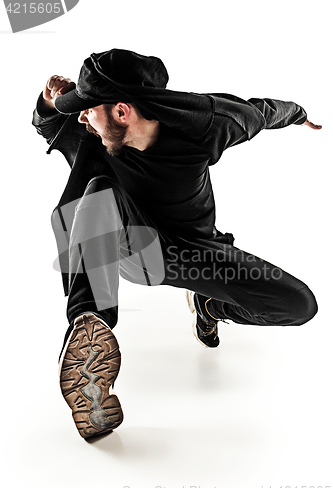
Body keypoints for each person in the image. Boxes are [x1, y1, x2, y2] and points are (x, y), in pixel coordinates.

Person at [32, 48, 321, 440]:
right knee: (99, 190)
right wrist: (50, 101)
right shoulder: (90, 135)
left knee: (299, 304)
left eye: (88, 108)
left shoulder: (204, 124)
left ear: (122, 111)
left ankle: (209, 304)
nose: (82, 116)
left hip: (197, 253)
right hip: (132, 248)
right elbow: (47, 124)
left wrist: (299, 113)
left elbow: (263, 112)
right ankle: (90, 326)